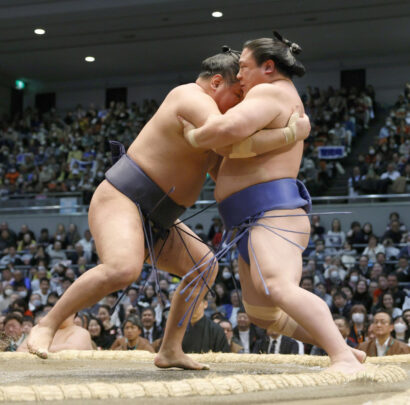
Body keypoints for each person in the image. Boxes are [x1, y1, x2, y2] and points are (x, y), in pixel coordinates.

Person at [27, 46, 310, 371]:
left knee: (204, 266)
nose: (241, 104)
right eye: (237, 93)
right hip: (122, 198)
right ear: (217, 82)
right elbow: (226, 141)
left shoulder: (215, 119)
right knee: (122, 268)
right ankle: (48, 325)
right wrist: (288, 133)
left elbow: (227, 162)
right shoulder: (189, 97)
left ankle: (170, 349)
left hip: (161, 215)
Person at [180, 32, 365, 373]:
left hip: (271, 214)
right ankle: (344, 351)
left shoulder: (269, 91)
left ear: (268, 67)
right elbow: (231, 147)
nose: (239, 76)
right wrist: (286, 134)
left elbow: (225, 131)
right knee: (264, 315)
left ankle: (341, 354)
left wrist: (193, 136)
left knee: (280, 287)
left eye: (245, 68)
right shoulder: (277, 96)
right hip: (248, 220)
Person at [18, 314, 93, 352]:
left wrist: (37, 350)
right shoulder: (40, 330)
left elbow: (73, 349)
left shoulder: (81, 332)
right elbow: (20, 350)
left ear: (73, 313)